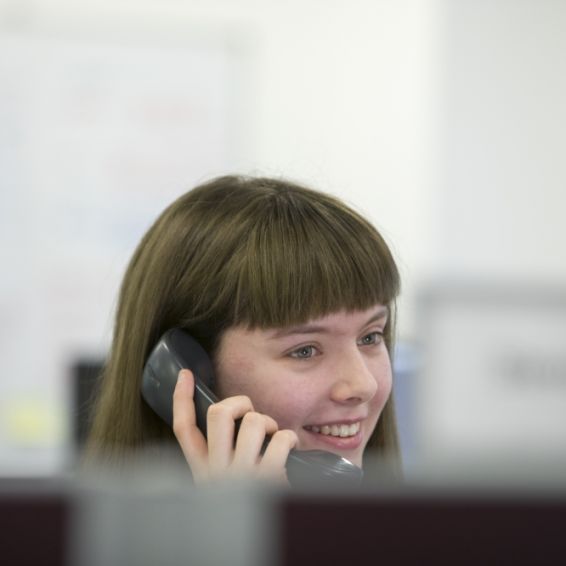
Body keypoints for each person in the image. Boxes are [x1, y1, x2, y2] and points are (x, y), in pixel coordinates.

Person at [85, 175, 401, 485]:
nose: (364, 385)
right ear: (188, 375)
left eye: (370, 337)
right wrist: (232, 523)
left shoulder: (414, 535)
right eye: (304, 350)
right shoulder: (101, 538)